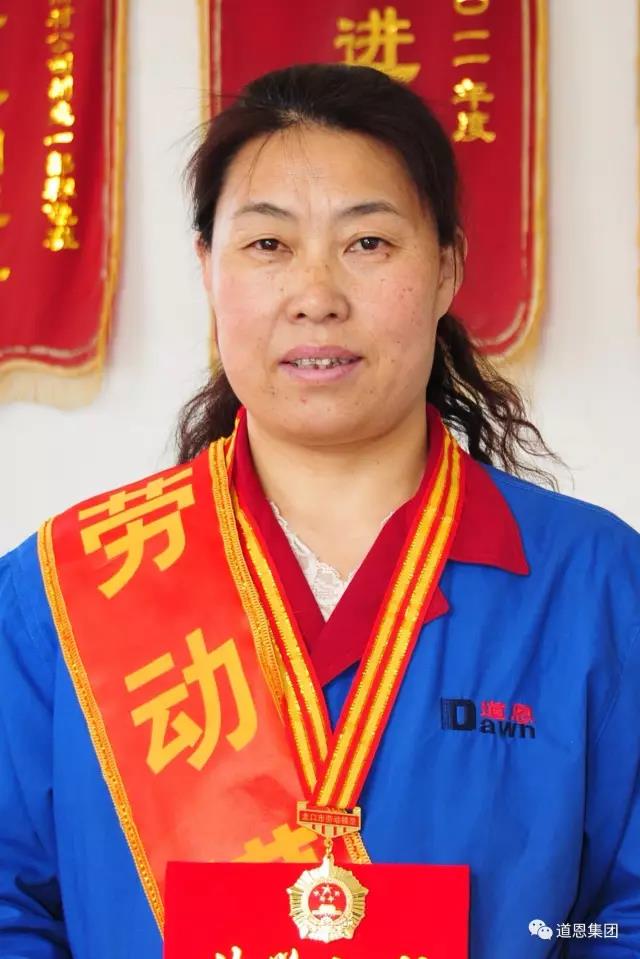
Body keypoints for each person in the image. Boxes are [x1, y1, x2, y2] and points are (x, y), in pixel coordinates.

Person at [0, 62, 638, 959]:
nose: (316, 296)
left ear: (447, 268)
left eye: (367, 243)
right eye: (268, 244)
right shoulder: (59, 593)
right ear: (207, 269)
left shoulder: (596, 583)